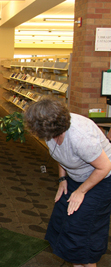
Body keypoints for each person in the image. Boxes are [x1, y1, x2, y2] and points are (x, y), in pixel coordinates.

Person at [24, 98, 111, 267]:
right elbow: (60, 154)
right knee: (63, 221)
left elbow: (105, 167)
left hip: (102, 178)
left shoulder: (80, 137)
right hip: (76, 177)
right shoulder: (50, 132)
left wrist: (81, 191)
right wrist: (63, 179)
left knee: (82, 229)